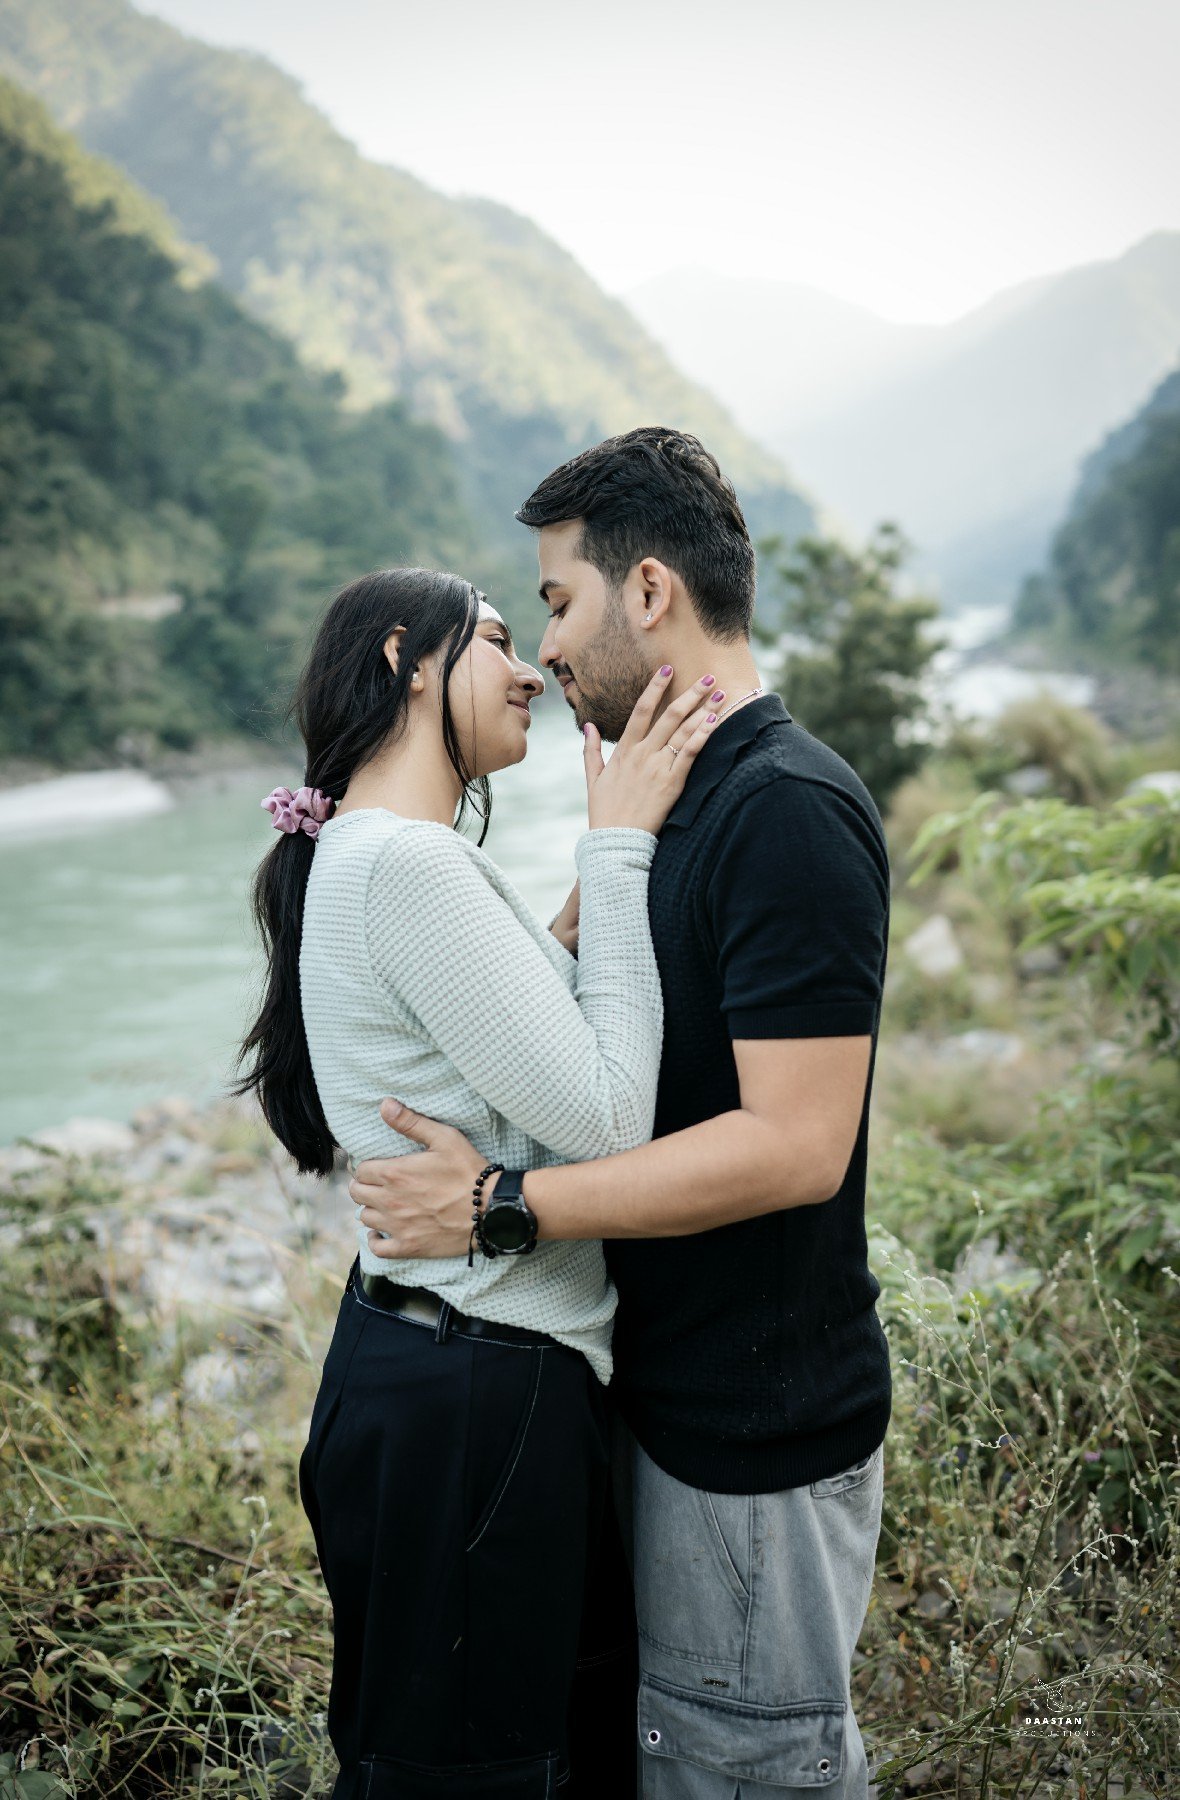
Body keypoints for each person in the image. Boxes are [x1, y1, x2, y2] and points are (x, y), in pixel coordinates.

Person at [348, 428, 893, 1800]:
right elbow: (582, 1053)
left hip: (750, 1441)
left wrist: (499, 1206)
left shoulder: (787, 811)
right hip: (651, 1405)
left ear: (648, 593)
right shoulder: (672, 808)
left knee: (745, 1773)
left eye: (557, 599)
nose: (547, 646)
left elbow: (795, 1144)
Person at [236, 565, 722, 1800]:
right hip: (476, 1389)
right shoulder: (409, 867)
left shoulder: (376, 854)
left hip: (436, 1369)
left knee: (456, 1754)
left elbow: (500, 1045)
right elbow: (608, 1117)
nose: (527, 672)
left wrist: (561, 934)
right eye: (497, 639)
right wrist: (616, 852)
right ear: (407, 657)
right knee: (472, 1776)